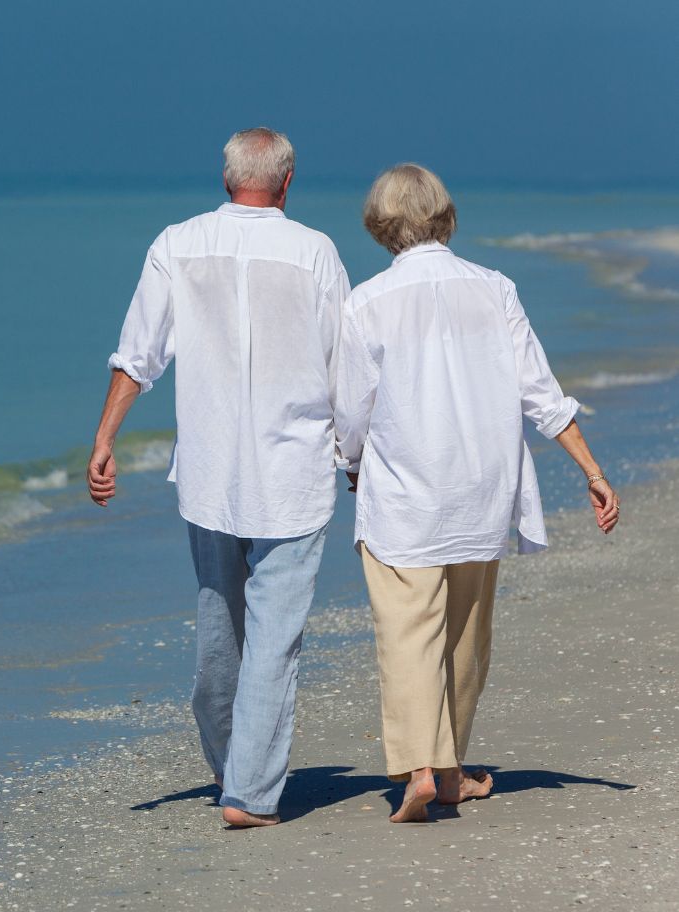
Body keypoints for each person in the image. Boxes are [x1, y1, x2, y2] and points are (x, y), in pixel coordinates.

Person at [334, 163, 620, 824]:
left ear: (381, 223)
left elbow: (351, 411)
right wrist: (593, 470)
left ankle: (420, 770)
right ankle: (452, 767)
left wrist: (350, 464)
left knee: (408, 633)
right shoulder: (495, 289)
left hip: (406, 495)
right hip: (482, 492)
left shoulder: (367, 301)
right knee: (465, 637)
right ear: (444, 214)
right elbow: (541, 395)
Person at [88, 128, 349, 827]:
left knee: (219, 627)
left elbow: (138, 353)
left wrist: (105, 438)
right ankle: (250, 791)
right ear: (287, 182)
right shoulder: (315, 252)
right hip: (292, 470)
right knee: (273, 638)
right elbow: (343, 367)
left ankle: (233, 763)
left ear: (225, 177)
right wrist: (354, 454)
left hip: (209, 470)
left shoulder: (177, 243)